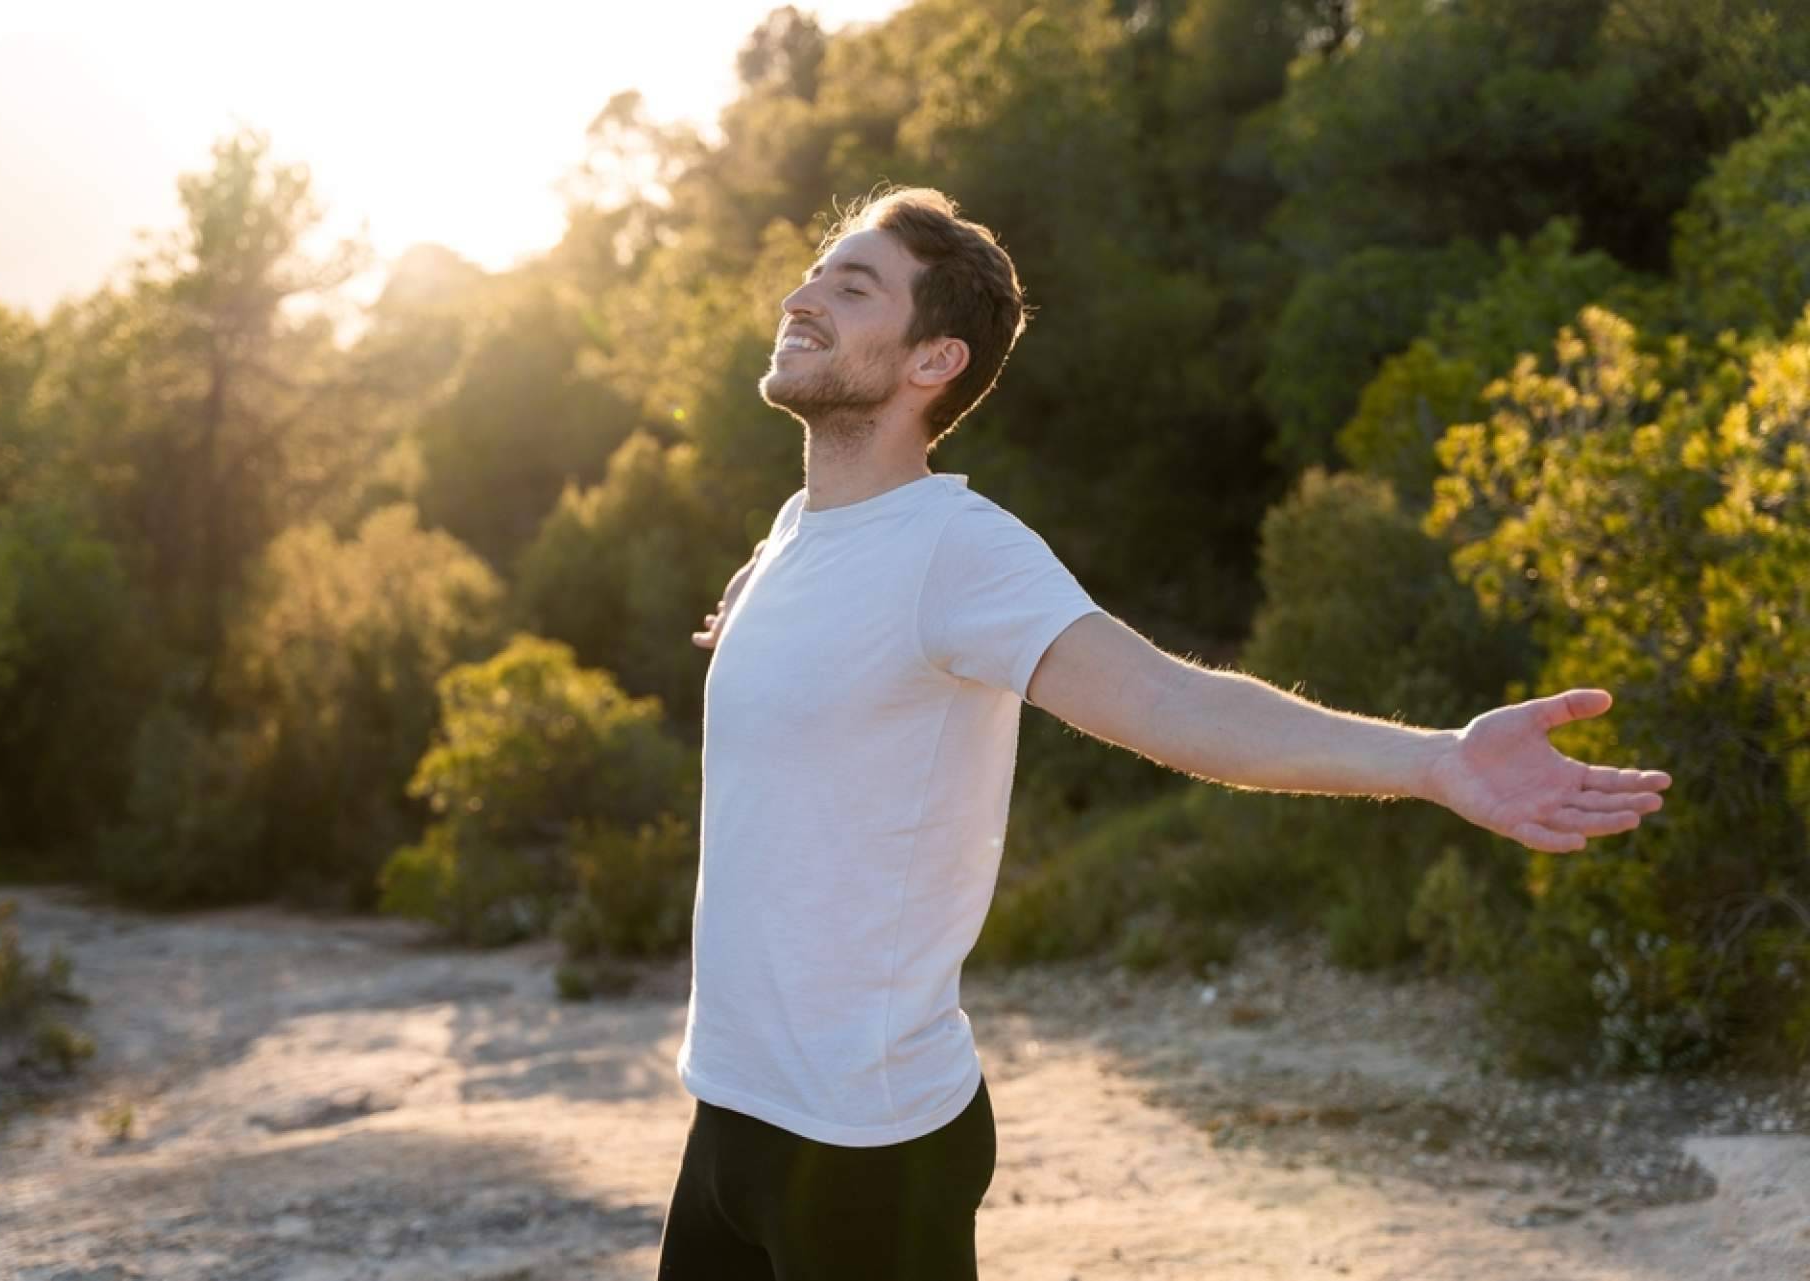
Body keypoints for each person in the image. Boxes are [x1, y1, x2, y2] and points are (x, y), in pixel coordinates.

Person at [656, 187, 1672, 1280]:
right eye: (817, 272)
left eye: (852, 287)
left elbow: (1171, 701)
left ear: (932, 361)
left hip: (867, 1145)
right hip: (730, 1110)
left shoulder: (959, 551)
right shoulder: (795, 535)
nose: (801, 296)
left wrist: (1434, 759)